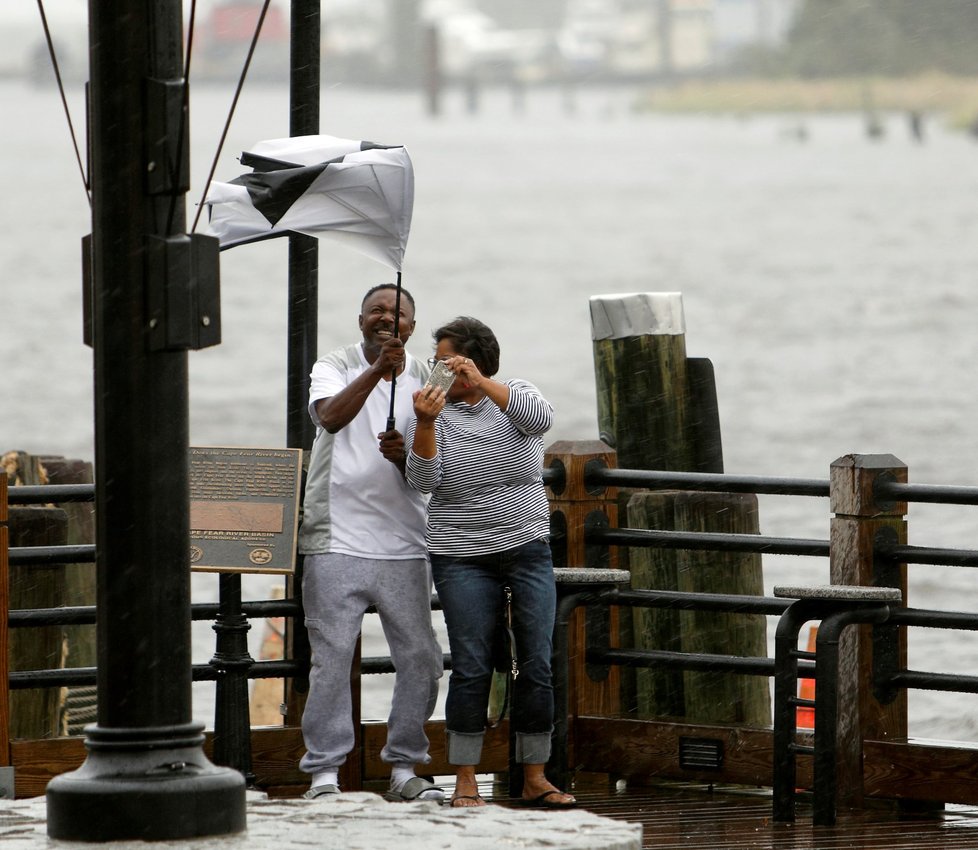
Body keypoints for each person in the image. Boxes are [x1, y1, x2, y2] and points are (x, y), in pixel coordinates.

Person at [405, 316, 576, 809]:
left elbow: (541, 420)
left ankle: (535, 777)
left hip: (525, 546)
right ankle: (464, 780)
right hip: (459, 555)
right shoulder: (429, 410)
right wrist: (426, 422)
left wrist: (481, 383)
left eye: (444, 361)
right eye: (434, 362)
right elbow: (423, 481)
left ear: (472, 363)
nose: (435, 371)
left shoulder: (514, 394)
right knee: (473, 664)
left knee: (537, 662)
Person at [297, 283, 444, 803]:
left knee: (422, 658)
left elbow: (437, 465)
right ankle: (323, 774)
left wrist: (407, 454)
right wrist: (379, 370)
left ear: (412, 324)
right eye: (377, 311)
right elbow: (330, 417)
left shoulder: (430, 378)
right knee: (332, 657)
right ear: (360, 319)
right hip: (336, 538)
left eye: (398, 313)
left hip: (405, 542)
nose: (387, 319)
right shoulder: (333, 364)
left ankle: (404, 767)